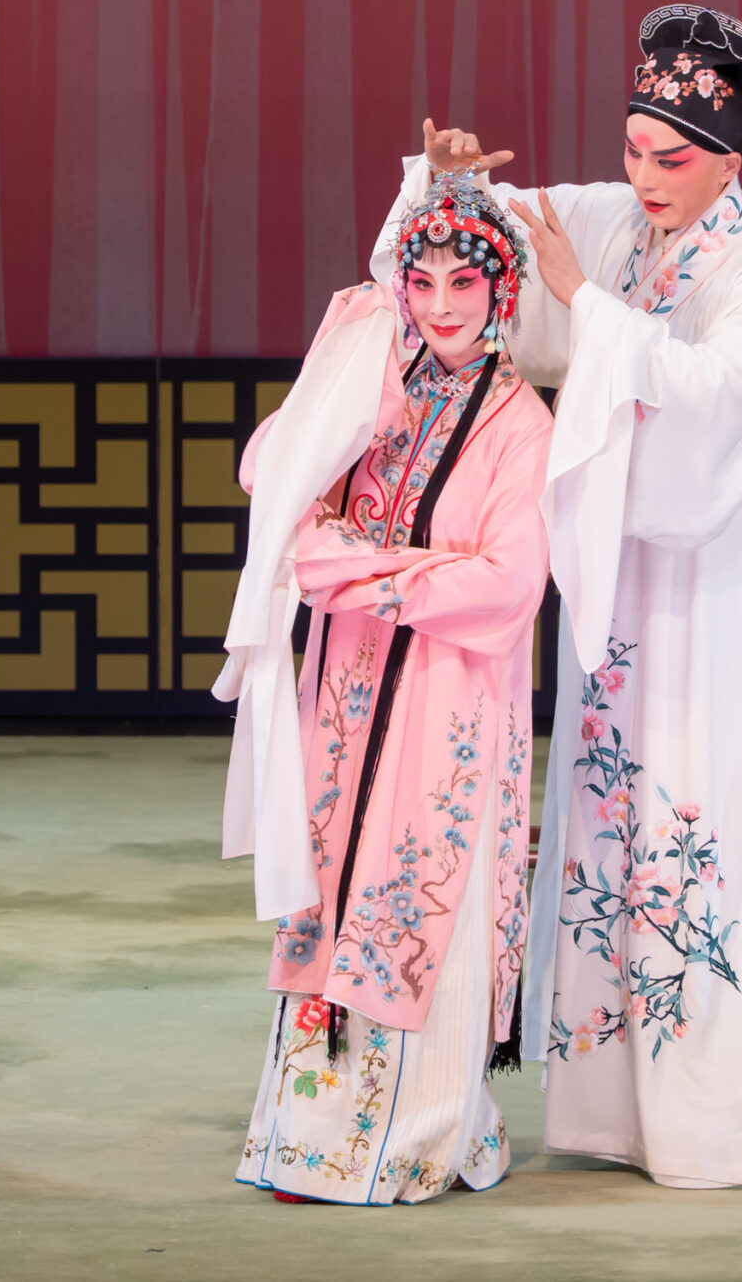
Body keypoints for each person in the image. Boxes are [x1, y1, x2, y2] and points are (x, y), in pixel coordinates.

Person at [367, 3, 742, 1190]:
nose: (645, 177)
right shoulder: (617, 225)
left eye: (671, 158)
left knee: (696, 827)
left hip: (706, 590)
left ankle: (721, 1117)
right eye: (633, 149)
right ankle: (617, 1109)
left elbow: (711, 402)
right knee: (609, 820)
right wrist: (444, 184)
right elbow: (474, 257)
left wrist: (592, 310)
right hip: (614, 576)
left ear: (732, 161)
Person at [220, 170, 553, 1205]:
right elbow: (270, 470)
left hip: (449, 705)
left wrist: (352, 566)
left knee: (417, 895)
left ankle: (417, 1139)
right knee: (333, 889)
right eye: (423, 281)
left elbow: (506, 586)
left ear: (502, 291)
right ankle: (309, 1137)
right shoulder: (380, 391)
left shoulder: (522, 424)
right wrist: (350, 351)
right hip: (348, 694)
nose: (442, 304)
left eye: (465, 281)